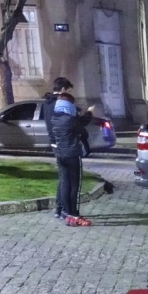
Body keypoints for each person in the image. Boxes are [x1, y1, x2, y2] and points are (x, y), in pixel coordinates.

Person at [51, 92, 93, 226]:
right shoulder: (70, 119)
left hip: (60, 154)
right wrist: (88, 113)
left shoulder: (54, 118)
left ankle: (67, 213)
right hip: (72, 155)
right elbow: (83, 131)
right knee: (75, 185)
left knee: (65, 183)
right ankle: (75, 214)